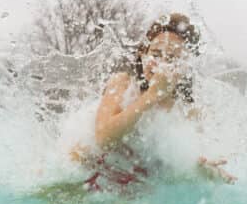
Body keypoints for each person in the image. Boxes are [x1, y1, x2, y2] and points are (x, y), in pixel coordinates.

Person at [71, 13, 236, 193]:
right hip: (84, 174)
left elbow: (187, 165)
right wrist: (152, 96)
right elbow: (104, 139)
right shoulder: (123, 84)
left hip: (133, 189)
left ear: (185, 68)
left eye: (172, 59)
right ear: (143, 54)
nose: (160, 64)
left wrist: (199, 170)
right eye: (156, 54)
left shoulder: (187, 112)